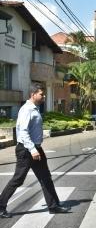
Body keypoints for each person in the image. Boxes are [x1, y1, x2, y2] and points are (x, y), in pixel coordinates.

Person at [0, 83, 70, 218]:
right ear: (33, 95)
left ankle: (53, 206)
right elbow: (23, 132)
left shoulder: (35, 109)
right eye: (41, 94)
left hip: (36, 148)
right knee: (18, 179)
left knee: (45, 177)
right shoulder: (27, 109)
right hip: (27, 150)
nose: (44, 96)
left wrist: (36, 147)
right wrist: (32, 149)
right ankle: (1, 206)